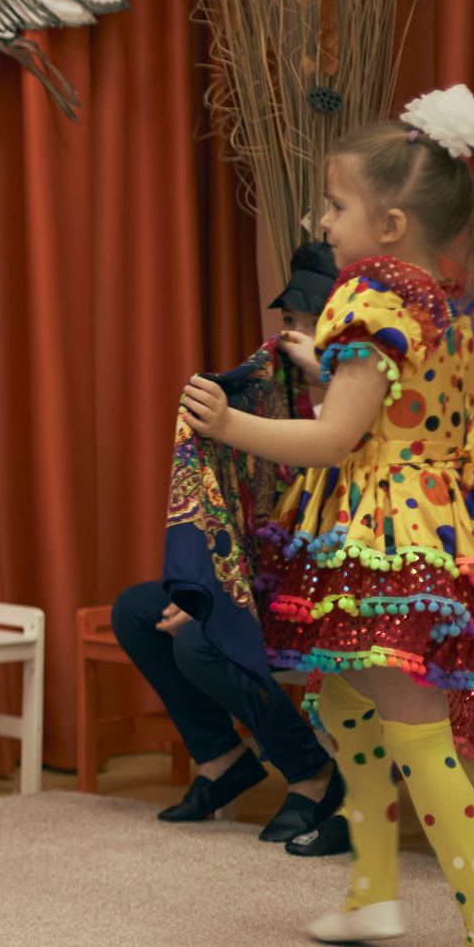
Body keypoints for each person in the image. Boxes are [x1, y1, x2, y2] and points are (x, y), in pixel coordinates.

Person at [182, 87, 474, 947]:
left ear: (390, 223)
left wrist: (228, 426)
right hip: (443, 516)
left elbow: (334, 438)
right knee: (347, 695)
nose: (321, 220)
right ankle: (372, 887)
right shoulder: (447, 298)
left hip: (389, 531)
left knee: (411, 718)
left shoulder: (368, 296)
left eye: (335, 204)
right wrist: (326, 367)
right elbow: (402, 403)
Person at [115, 240, 346, 851]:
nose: (288, 336)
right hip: (269, 578)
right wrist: (210, 589)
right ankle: (222, 760)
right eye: (287, 321)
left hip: (333, 595)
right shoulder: (268, 395)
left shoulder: (358, 402)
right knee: (137, 611)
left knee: (202, 638)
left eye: (304, 323)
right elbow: (245, 513)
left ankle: (313, 774)